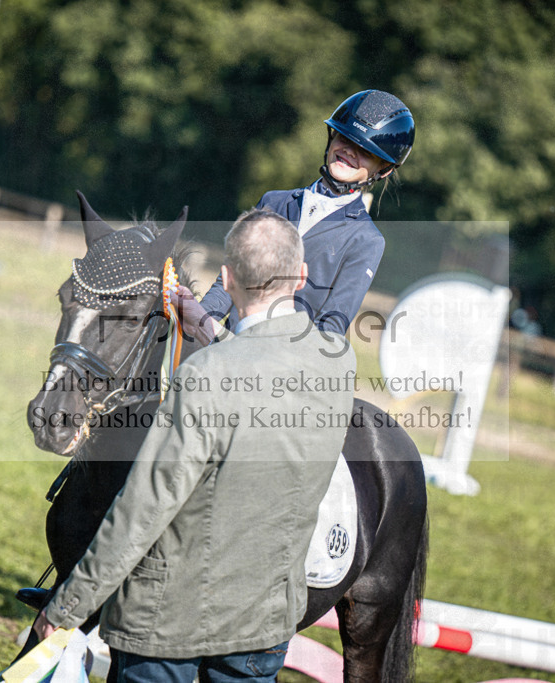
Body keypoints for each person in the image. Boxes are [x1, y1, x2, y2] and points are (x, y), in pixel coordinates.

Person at [33, 209, 356, 682]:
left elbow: (144, 506)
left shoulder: (203, 377)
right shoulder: (338, 363)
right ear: (302, 276)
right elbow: (265, 364)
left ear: (226, 277)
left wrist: (66, 608)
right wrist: (210, 329)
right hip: (263, 632)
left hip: (167, 630)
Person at [186, 89, 415, 343]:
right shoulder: (273, 202)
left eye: (365, 152)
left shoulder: (366, 240)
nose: (350, 151)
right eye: (345, 139)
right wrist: (197, 320)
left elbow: (332, 324)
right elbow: (229, 283)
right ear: (332, 137)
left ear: (383, 170)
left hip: (286, 367)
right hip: (228, 347)